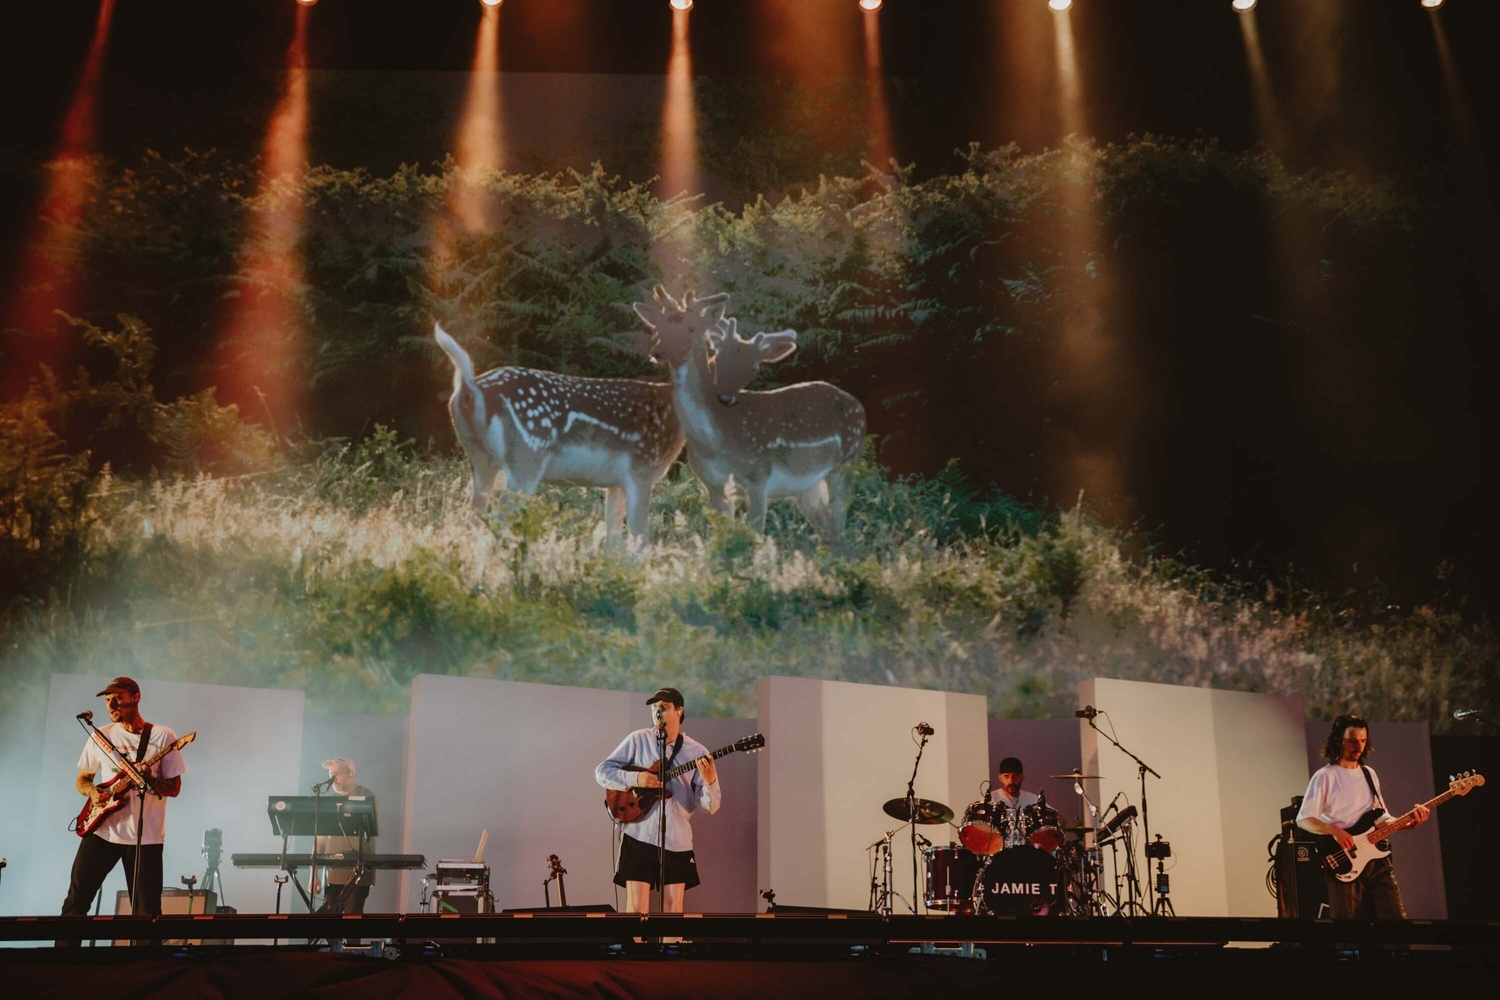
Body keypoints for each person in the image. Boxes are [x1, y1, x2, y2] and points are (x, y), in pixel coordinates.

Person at [60, 677, 187, 939]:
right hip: (102, 831)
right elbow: (83, 779)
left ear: (136, 697)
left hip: (145, 838)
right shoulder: (101, 735)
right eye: (107, 700)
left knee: (147, 913)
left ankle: (144, 969)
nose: (112, 704)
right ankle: (62, 962)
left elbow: (174, 789)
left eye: (117, 697)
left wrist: (149, 778)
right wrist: (93, 792)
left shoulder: (164, 736)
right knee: (76, 902)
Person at [595, 687, 721, 914]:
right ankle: (634, 950)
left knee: (674, 908)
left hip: (676, 838)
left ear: (679, 710)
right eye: (654, 708)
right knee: (636, 908)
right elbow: (602, 772)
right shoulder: (638, 740)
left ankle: (671, 950)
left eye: (663, 707)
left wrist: (710, 781)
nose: (657, 712)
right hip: (638, 833)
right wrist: (638, 778)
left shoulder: (697, 751)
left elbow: (709, 806)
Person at [1296, 714, 1429, 919]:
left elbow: (1381, 818)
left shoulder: (1369, 774)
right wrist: (1335, 830)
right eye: (1352, 741)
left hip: (1377, 858)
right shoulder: (1325, 776)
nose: (1358, 746)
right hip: (1344, 859)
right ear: (1339, 741)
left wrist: (1407, 823)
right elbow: (1303, 819)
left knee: (1396, 923)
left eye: (1363, 740)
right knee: (1350, 931)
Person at [310, 756, 378, 914]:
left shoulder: (365, 795)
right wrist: (314, 874)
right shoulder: (329, 802)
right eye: (331, 775)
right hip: (332, 874)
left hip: (357, 874)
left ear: (350, 773)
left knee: (351, 925)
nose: (333, 779)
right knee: (331, 929)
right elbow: (319, 842)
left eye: (337, 774)